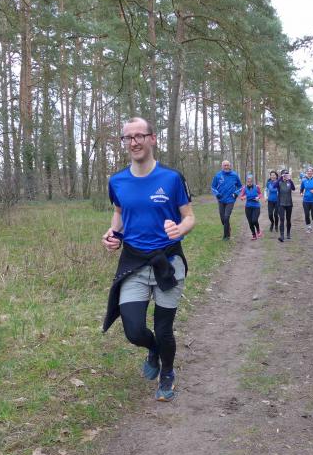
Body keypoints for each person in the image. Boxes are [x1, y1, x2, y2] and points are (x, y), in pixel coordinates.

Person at [101, 117, 195, 402]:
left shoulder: (172, 178)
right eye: (128, 137)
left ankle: (167, 372)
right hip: (134, 263)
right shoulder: (117, 181)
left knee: (164, 328)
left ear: (152, 139)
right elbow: (119, 213)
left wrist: (180, 229)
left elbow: (189, 217)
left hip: (168, 262)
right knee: (133, 330)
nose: (134, 142)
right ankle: (153, 349)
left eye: (139, 136)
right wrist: (112, 234)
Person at [211, 160, 242, 240]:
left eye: (227, 165)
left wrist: (236, 194)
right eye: (224, 165)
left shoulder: (234, 175)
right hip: (221, 200)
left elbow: (240, 186)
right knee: (223, 219)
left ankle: (226, 236)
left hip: (230, 200)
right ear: (222, 166)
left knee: (226, 217)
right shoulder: (218, 175)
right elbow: (213, 187)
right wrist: (217, 194)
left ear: (230, 166)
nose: (226, 167)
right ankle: (228, 227)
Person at [239, 174, 263, 240]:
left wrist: (258, 197)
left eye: (250, 181)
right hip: (248, 207)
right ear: (246, 181)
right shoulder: (244, 188)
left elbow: (260, 194)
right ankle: (254, 235)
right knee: (250, 222)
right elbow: (241, 196)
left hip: (256, 206)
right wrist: (243, 197)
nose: (249, 182)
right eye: (248, 181)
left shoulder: (257, 187)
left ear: (253, 181)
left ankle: (258, 230)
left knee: (254, 220)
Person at [276, 169, 296, 242]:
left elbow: (293, 188)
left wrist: (289, 179)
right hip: (281, 203)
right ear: (282, 175)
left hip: (289, 203)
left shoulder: (289, 182)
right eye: (284, 175)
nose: (285, 176)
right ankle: (282, 236)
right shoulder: (279, 182)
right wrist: (280, 178)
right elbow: (274, 186)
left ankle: (288, 233)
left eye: (286, 174)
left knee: (288, 219)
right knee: (282, 219)